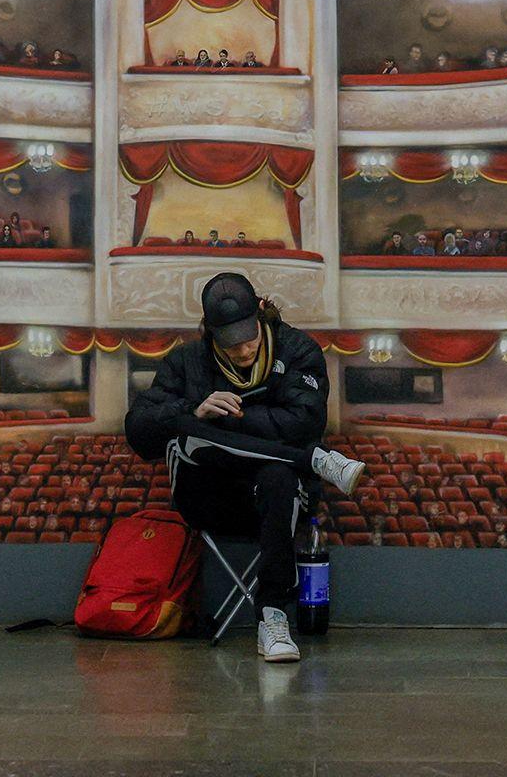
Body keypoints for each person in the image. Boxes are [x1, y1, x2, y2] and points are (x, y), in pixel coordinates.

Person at [124, 273, 366, 663]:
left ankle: (273, 617)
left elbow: (306, 422)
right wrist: (195, 408)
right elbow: (137, 434)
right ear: (209, 332)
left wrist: (229, 418)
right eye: (228, 342)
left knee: (277, 475)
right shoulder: (186, 362)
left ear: (261, 314)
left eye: (248, 337)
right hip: (209, 496)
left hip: (276, 502)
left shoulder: (297, 350)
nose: (241, 350)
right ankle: (315, 461)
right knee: (189, 430)